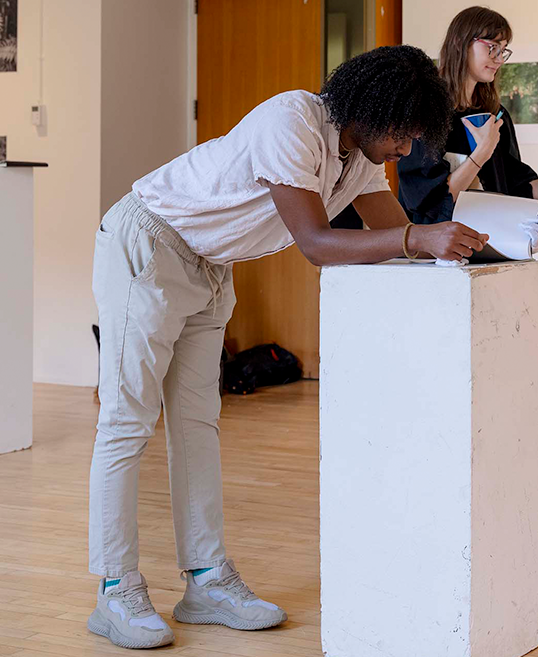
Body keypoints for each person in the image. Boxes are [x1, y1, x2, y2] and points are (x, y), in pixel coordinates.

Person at [85, 45, 483, 650]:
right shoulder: (293, 120)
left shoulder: (358, 160)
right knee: (126, 421)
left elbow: (395, 234)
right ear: (374, 110)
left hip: (210, 264)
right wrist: (418, 236)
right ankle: (115, 590)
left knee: (197, 424)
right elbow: (319, 243)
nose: (405, 150)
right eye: (403, 134)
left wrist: (446, 248)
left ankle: (205, 581)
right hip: (149, 242)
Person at [398, 6, 538, 229]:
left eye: (503, 50)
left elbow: (518, 191)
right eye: (492, 48)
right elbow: (431, 202)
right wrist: (482, 152)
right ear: (460, 42)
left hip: (486, 246)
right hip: (431, 254)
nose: (499, 59)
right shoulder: (425, 112)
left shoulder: (496, 115)